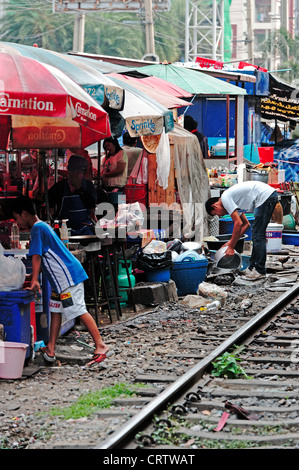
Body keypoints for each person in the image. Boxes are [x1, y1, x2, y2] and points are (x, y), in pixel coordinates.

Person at [11, 195, 109, 365]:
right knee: (55, 309)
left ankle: (100, 345)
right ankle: (51, 348)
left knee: (77, 309)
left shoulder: (37, 229)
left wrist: (34, 280)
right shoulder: (43, 227)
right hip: (61, 281)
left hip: (67, 279)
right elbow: (43, 258)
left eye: (17, 217)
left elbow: (36, 256)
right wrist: (31, 277)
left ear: (25, 213)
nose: (17, 221)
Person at [205, 181, 278, 280]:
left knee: (258, 235)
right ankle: (252, 267)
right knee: (256, 234)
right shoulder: (233, 202)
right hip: (266, 196)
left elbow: (238, 223)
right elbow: (246, 224)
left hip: (265, 196)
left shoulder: (225, 198)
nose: (220, 216)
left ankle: (260, 270)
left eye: (216, 214)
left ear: (215, 206)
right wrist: (230, 242)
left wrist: (231, 247)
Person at [48, 154, 97, 235]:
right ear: (69, 172)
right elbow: (48, 202)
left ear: (83, 173)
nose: (76, 175)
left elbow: (92, 204)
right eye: (73, 172)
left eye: (79, 172)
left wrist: (80, 189)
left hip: (85, 230)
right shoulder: (60, 187)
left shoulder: (88, 186)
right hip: (63, 230)